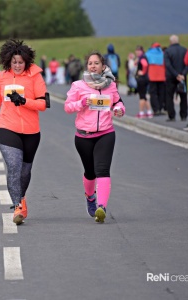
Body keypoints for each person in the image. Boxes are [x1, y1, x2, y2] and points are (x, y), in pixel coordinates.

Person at [0, 39, 48, 225]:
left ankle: (21, 198)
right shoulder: (2, 76)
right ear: (8, 62)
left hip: (31, 130)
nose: (18, 65)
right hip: (7, 126)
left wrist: (24, 101)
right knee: (14, 166)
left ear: (26, 62)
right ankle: (17, 206)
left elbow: (43, 104)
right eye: (14, 62)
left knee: (25, 171)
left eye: (21, 62)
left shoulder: (35, 76)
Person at [64, 51, 125, 224]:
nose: (93, 66)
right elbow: (68, 107)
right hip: (83, 136)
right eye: (90, 63)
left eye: (96, 63)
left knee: (103, 170)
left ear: (103, 66)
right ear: (87, 66)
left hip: (106, 133)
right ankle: (90, 197)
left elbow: (117, 102)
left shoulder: (110, 86)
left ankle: (101, 207)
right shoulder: (78, 86)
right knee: (90, 173)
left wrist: (119, 109)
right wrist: (82, 103)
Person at [164, 35, 188, 121]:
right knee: (183, 96)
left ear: (170, 41)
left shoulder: (168, 51)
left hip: (171, 77)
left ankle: (171, 115)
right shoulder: (184, 50)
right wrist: (183, 74)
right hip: (182, 77)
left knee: (169, 96)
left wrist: (176, 75)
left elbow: (168, 65)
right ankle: (184, 115)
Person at [146, 42, 166, 115]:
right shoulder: (162, 54)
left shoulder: (148, 54)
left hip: (152, 77)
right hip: (161, 77)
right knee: (161, 93)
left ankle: (155, 109)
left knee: (153, 93)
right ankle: (160, 108)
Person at [135, 45, 153, 118]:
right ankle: (149, 112)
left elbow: (145, 65)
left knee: (141, 96)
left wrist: (142, 72)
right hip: (145, 78)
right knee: (145, 96)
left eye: (138, 51)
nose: (137, 52)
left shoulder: (142, 57)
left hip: (142, 79)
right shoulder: (142, 57)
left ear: (141, 51)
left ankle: (141, 112)